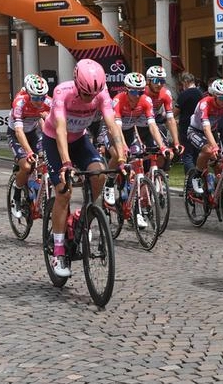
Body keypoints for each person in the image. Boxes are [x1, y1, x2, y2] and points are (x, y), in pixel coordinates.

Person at [42, 59, 125, 278]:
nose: (90, 99)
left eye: (93, 95)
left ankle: (81, 216)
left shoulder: (101, 93)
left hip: (79, 139)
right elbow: (60, 129)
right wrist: (66, 164)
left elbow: (111, 123)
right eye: (86, 94)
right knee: (64, 190)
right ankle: (58, 251)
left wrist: (122, 156)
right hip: (54, 140)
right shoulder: (63, 92)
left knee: (99, 173)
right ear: (78, 84)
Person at [103, 72, 170, 226]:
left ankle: (137, 207)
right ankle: (109, 183)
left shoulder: (146, 100)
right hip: (113, 131)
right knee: (119, 155)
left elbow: (152, 126)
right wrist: (123, 148)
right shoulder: (118, 100)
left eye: (140, 91)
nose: (137, 95)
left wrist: (162, 146)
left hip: (130, 132)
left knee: (138, 163)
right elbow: (117, 129)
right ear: (127, 90)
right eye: (133, 91)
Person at [8, 74, 51, 219]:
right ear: (28, 94)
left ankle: (37, 187)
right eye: (36, 98)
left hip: (32, 133)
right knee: (27, 166)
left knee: (46, 159)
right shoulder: (19, 103)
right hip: (16, 135)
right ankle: (17, 194)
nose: (39, 102)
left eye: (42, 98)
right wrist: (28, 152)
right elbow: (19, 131)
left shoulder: (49, 103)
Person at [174, 72, 202, 174]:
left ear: (186, 82)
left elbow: (175, 112)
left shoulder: (183, 95)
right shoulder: (200, 94)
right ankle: (198, 179)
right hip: (199, 128)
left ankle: (191, 181)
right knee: (197, 154)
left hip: (186, 127)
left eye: (182, 83)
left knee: (187, 155)